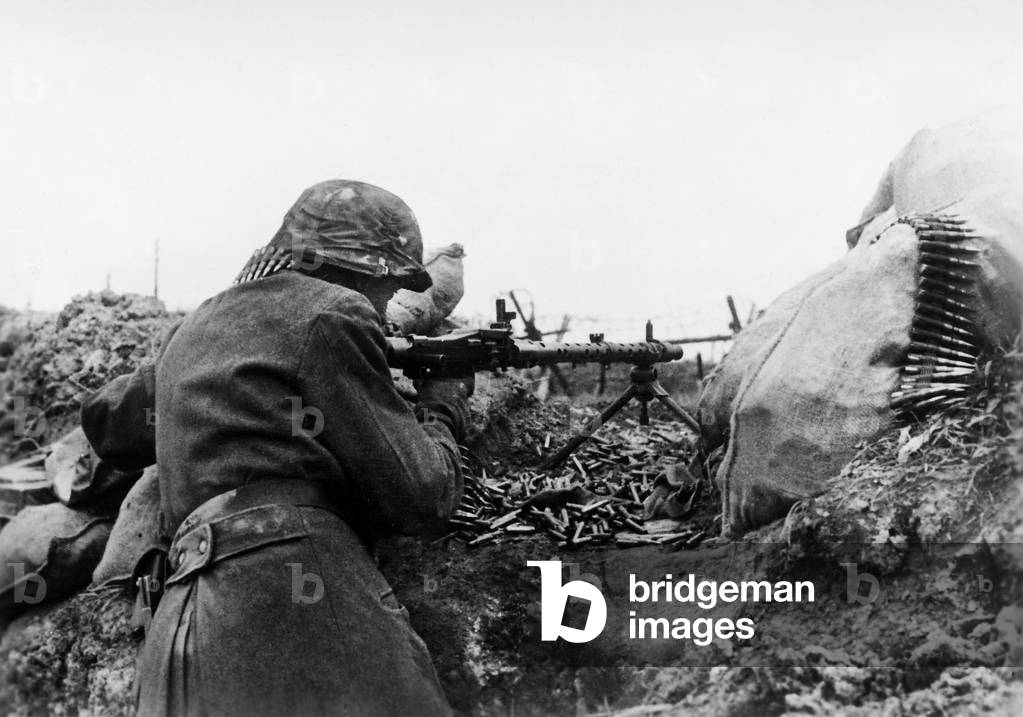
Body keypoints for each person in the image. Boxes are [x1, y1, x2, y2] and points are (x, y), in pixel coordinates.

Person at [81, 179, 471, 716]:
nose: (387, 305)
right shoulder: (336, 312)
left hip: (185, 619)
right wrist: (441, 404)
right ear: (365, 268)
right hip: (294, 594)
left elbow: (107, 427)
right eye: (393, 285)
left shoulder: (199, 325)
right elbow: (423, 496)